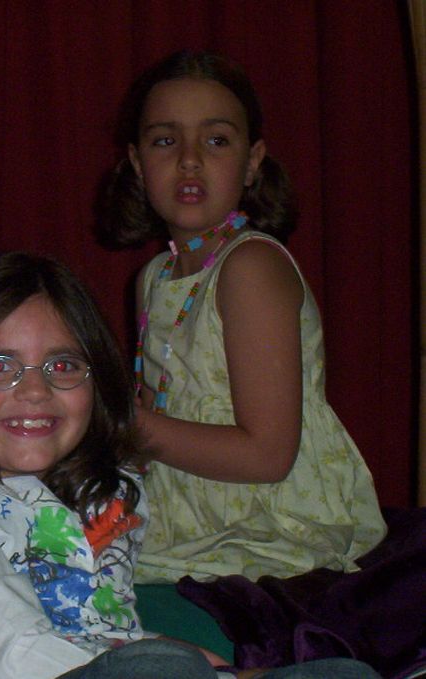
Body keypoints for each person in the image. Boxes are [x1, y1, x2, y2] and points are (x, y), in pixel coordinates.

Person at [0, 251, 378, 679]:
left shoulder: (106, 498)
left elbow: (102, 631)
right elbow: (10, 655)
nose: (36, 389)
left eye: (63, 365)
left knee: (343, 676)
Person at [96, 49, 388, 658]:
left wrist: (120, 423)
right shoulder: (154, 277)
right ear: (136, 164)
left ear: (253, 162)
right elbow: (156, 420)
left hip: (264, 533)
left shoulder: (249, 265)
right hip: (184, 515)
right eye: (165, 140)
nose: (190, 159)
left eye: (217, 140)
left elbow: (267, 455)